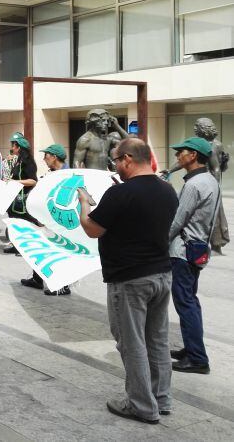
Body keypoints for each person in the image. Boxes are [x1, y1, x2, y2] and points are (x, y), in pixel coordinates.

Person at [78, 138, 178, 424]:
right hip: (161, 273)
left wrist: (84, 204)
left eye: (117, 160)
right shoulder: (167, 190)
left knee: (132, 342)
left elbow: (92, 229)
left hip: (130, 279)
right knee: (157, 341)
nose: (115, 166)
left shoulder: (121, 194)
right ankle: (161, 399)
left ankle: (141, 405)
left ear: (129, 159)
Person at [167, 137, 220, 375]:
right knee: (190, 300)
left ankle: (197, 358)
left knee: (185, 302)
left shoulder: (194, 184)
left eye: (182, 152)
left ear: (194, 156)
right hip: (197, 248)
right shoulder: (210, 180)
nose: (178, 156)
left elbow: (178, 220)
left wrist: (159, 242)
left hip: (183, 251)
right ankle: (192, 349)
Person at [162, 118, 229, 255]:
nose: (195, 130)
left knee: (214, 216)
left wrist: (216, 186)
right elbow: (182, 161)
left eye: (197, 127)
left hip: (208, 183)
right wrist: (170, 170)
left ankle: (216, 245)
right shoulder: (200, 145)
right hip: (208, 182)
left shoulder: (214, 145)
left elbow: (218, 168)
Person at [20, 144, 70, 296]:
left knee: (60, 252)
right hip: (47, 219)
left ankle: (63, 286)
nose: (44, 159)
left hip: (60, 221)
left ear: (54, 157)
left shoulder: (66, 174)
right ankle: (37, 279)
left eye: (46, 156)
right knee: (41, 247)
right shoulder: (53, 172)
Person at [3, 133, 38, 255]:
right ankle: (15, 244)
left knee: (23, 223)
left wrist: (15, 182)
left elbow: (33, 180)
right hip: (14, 199)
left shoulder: (28, 162)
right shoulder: (18, 160)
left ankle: (24, 247)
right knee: (14, 222)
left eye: (13, 145)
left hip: (23, 199)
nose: (11, 148)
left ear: (18, 147)